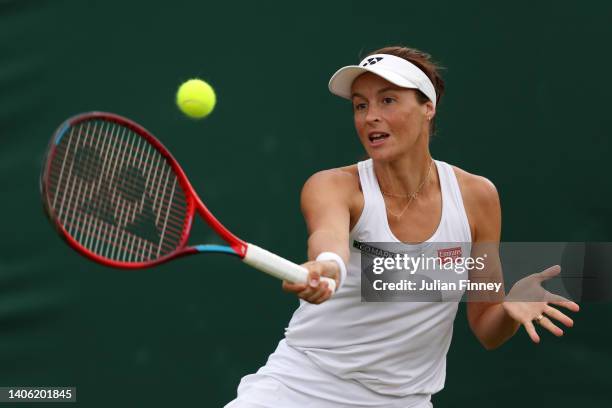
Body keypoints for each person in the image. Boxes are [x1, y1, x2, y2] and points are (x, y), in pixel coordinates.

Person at [224, 45, 579, 408]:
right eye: (360, 105)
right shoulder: (334, 186)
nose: (370, 117)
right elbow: (328, 240)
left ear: (428, 107)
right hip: (300, 389)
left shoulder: (477, 197)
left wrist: (508, 309)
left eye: (388, 100)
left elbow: (487, 324)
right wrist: (326, 266)